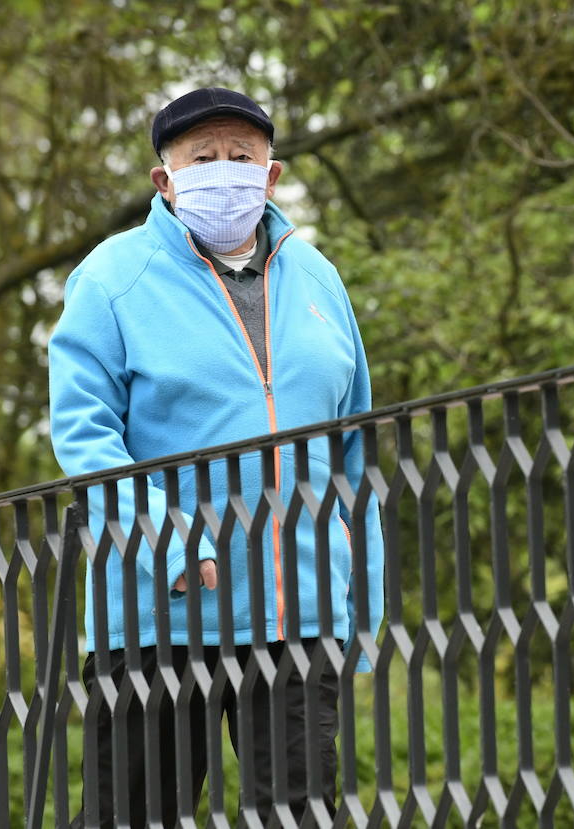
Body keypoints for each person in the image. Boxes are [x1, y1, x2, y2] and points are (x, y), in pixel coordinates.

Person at [48, 86, 384, 827]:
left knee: (298, 816)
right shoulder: (111, 279)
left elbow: (353, 443)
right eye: (204, 157)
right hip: (158, 615)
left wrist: (359, 596)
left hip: (300, 612)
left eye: (242, 156)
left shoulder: (321, 278)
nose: (225, 170)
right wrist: (163, 540)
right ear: (164, 180)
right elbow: (83, 433)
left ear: (272, 177)